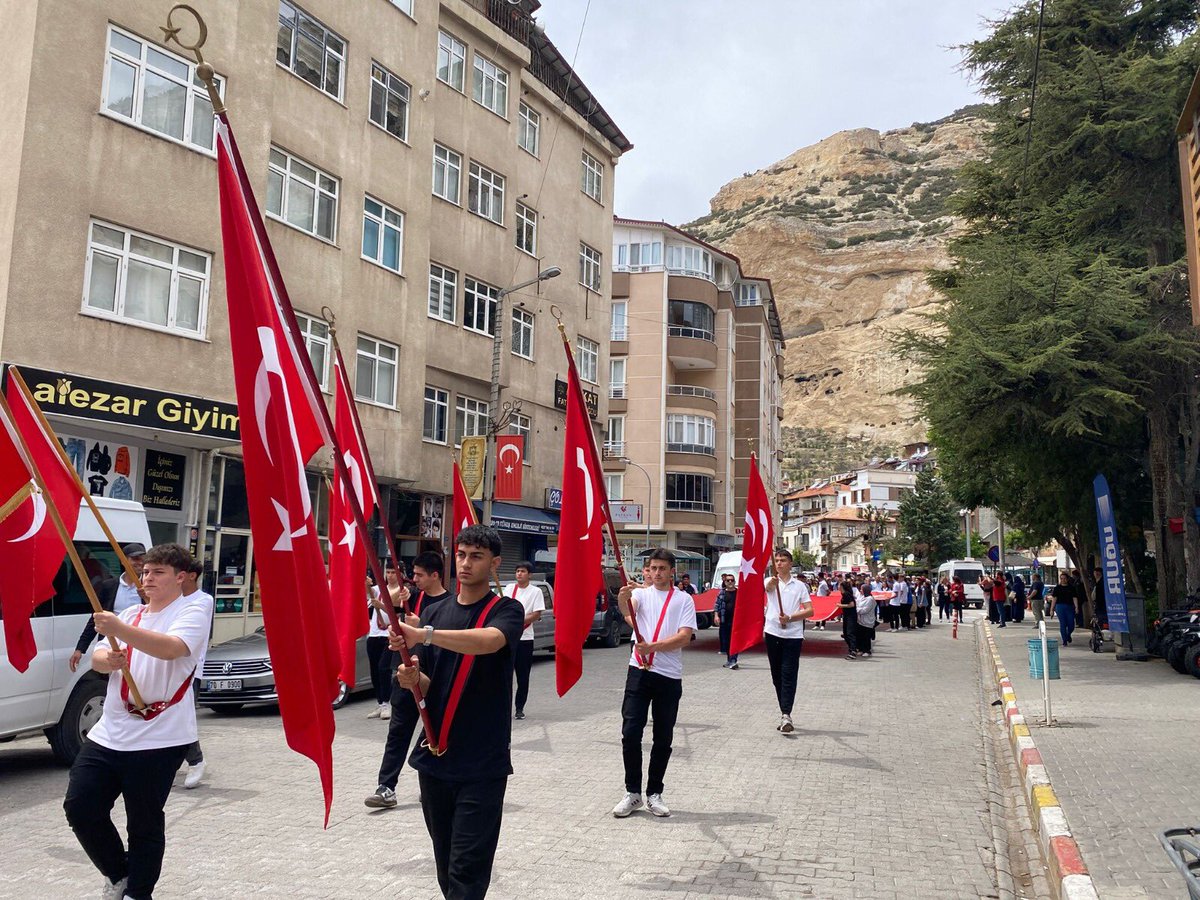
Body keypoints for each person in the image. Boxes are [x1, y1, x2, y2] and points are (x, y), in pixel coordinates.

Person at [63, 543, 211, 900]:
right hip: (110, 732)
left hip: (160, 738)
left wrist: (118, 629)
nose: (147, 578)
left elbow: (173, 648)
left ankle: (138, 892)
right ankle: (119, 874)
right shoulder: (130, 615)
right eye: (145, 572)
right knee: (80, 806)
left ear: (180, 577)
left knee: (143, 822)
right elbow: (99, 655)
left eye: (158, 572)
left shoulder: (195, 607)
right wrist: (106, 659)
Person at [390, 526, 524, 899]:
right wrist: (412, 678)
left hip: (482, 762)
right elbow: (432, 685)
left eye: (476, 556)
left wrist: (425, 634)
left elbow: (490, 642)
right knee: (446, 864)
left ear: (495, 563)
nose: (466, 563)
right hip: (436, 758)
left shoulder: (506, 610)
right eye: (462, 554)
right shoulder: (436, 610)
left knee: (468, 868)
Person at [612, 549, 698, 819]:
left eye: (662, 568)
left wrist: (654, 647)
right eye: (653, 568)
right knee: (630, 732)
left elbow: (685, 637)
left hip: (668, 675)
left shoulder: (684, 600)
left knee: (663, 737)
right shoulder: (641, 594)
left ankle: (654, 793)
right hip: (638, 672)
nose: (657, 573)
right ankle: (632, 792)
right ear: (647, 570)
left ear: (672, 570)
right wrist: (622, 599)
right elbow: (629, 614)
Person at [365, 551, 451, 809]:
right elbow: (382, 606)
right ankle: (386, 787)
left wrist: (421, 623)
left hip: (434, 678)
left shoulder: (450, 603)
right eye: (412, 574)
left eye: (419, 575)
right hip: (405, 673)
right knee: (398, 732)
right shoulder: (413, 596)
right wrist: (392, 596)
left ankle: (432, 781)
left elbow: (451, 638)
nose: (414, 579)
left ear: (435, 575)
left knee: (434, 733)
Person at [69, 543, 147, 673]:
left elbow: (158, 615)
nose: (140, 563)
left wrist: (147, 598)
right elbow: (97, 618)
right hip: (112, 644)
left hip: (138, 644)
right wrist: (80, 649)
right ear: (123, 560)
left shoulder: (149, 588)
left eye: (142, 559)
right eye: (135, 559)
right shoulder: (109, 586)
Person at [763, 548, 813, 734]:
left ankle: (786, 714)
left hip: (793, 635)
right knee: (777, 675)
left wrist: (790, 617)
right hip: (773, 633)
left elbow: (810, 610)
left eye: (783, 560)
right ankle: (784, 710)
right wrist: (772, 583)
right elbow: (767, 588)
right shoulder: (770, 581)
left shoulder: (799, 586)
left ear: (790, 563)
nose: (779, 563)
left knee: (789, 674)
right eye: (776, 560)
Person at [179, 558, 213, 790]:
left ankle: (196, 760)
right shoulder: (171, 599)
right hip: (165, 666)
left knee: (183, 717)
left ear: (192, 575)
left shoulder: (203, 600)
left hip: (191, 668)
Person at [503, 561, 545, 720]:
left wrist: (517, 621)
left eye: (522, 571)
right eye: (517, 571)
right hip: (508, 639)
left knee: (522, 676)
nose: (519, 574)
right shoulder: (509, 589)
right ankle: (504, 707)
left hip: (525, 639)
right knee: (505, 675)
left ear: (529, 574)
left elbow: (536, 614)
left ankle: (519, 707)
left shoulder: (535, 592)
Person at [366, 574, 393, 719]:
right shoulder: (376, 590)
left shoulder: (400, 591)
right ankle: (380, 702)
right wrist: (366, 582)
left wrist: (381, 605)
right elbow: (365, 591)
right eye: (388, 572)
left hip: (388, 635)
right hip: (374, 634)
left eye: (394, 572)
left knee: (384, 669)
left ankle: (386, 703)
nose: (391, 575)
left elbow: (396, 612)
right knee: (375, 671)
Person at [714, 573, 739, 669]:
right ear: (724, 582)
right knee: (727, 641)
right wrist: (716, 616)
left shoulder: (739, 593)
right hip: (724, 620)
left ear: (734, 582)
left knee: (735, 641)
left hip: (736, 621)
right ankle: (729, 660)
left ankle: (733, 660)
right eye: (728, 580)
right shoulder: (722, 593)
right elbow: (717, 605)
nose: (730, 582)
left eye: (732, 580)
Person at [1052, 572, 1077, 645]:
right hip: (1060, 607)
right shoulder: (1057, 588)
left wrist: (1076, 607)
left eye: (1064, 578)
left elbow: (1074, 598)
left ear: (1067, 579)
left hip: (1070, 607)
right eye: (1061, 578)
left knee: (1071, 624)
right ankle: (1064, 640)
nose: (1063, 580)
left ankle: (1068, 634)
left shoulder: (1071, 588)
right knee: (1063, 624)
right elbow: (1054, 599)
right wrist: (1052, 609)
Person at [837, 577, 858, 659]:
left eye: (839, 585)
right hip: (846, 615)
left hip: (851, 616)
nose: (838, 587)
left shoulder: (846, 594)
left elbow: (852, 604)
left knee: (850, 633)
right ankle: (851, 649)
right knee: (845, 633)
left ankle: (853, 651)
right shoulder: (843, 594)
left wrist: (841, 605)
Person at [855, 585, 876, 657]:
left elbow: (865, 610)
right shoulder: (863, 597)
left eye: (861, 589)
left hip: (868, 621)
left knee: (866, 637)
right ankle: (861, 649)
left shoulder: (870, 599)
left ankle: (867, 650)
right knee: (860, 636)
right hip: (860, 621)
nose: (860, 591)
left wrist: (856, 610)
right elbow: (858, 605)